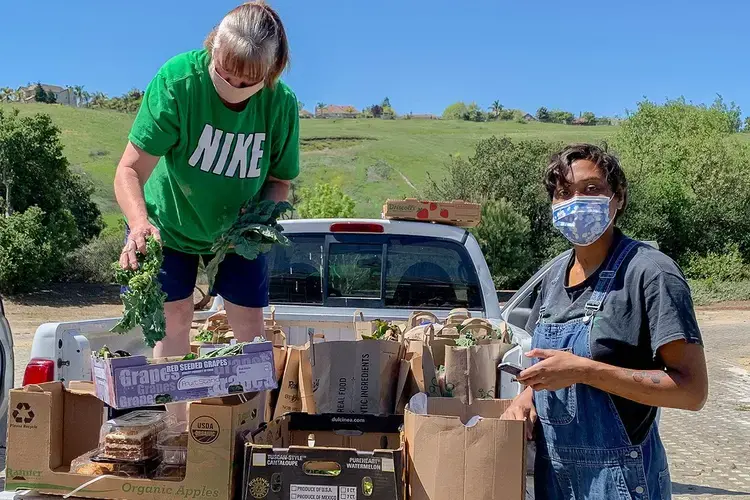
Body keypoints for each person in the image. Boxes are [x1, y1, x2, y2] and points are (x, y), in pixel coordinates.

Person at [501, 144, 708, 499]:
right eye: (564, 193)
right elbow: (550, 370)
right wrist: (526, 399)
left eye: (591, 189)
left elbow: (692, 392)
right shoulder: (553, 277)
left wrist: (585, 371)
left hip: (620, 483)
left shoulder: (651, 273)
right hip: (556, 479)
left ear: (619, 198)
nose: (575, 201)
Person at [114, 1, 298, 358]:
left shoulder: (281, 105)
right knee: (175, 319)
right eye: (224, 74)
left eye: (246, 82)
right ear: (212, 47)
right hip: (167, 225)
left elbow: (279, 181)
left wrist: (255, 224)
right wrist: (138, 224)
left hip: (236, 234)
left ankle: (250, 415)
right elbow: (129, 170)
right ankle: (178, 416)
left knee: (248, 327)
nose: (232, 87)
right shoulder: (179, 82)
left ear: (271, 73)